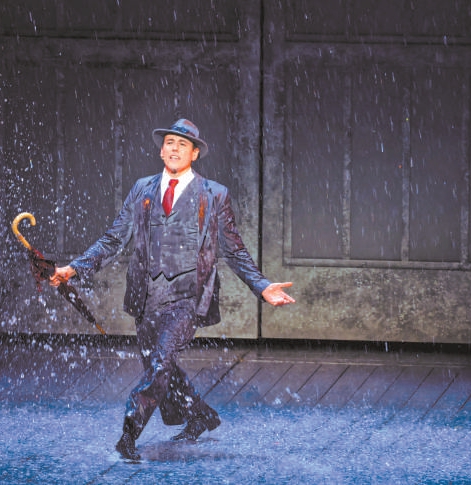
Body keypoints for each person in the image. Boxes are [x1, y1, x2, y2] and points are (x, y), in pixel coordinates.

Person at [41, 118, 295, 461]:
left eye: (182, 144)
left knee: (160, 364)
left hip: (187, 298)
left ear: (195, 153)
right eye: (170, 143)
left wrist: (262, 286)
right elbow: (114, 238)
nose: (174, 149)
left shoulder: (214, 195)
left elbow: (234, 250)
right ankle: (200, 414)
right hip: (147, 297)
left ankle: (128, 434)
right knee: (162, 366)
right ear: (162, 151)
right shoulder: (142, 189)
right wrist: (73, 268)